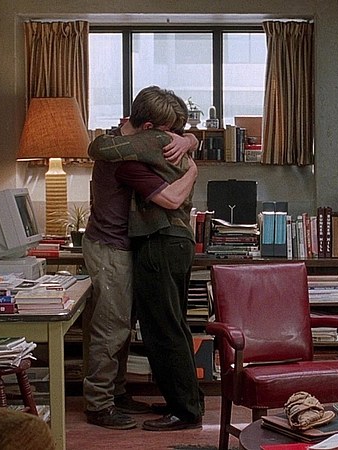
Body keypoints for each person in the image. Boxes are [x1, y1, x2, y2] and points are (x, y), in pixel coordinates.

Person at [88, 86, 204, 432]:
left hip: (131, 245)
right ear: (149, 127)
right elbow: (170, 199)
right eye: (167, 132)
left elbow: (186, 139)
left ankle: (117, 393)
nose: (171, 138)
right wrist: (192, 169)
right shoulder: (123, 153)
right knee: (111, 328)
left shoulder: (137, 142)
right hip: (110, 247)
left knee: (125, 327)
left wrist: (190, 140)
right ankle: (99, 403)